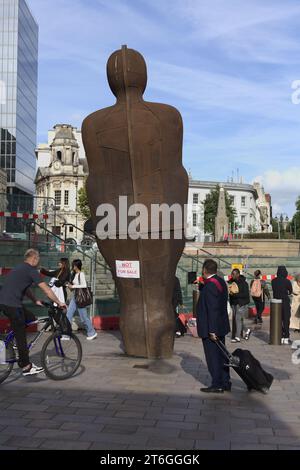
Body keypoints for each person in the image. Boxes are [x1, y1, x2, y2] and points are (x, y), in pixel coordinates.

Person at [0, 249, 66, 376]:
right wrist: (59, 302)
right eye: (38, 258)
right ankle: (26, 366)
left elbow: (24, 288)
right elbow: (46, 289)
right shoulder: (31, 270)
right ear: (34, 258)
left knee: (30, 317)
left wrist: (35, 300)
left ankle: (13, 339)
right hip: (12, 305)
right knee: (21, 336)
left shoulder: (19, 267)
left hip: (4, 302)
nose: (39, 261)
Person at [196, 259, 231, 393]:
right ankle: (225, 381)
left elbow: (212, 309)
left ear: (204, 270)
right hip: (221, 326)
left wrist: (212, 330)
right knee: (222, 355)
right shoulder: (220, 281)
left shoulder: (210, 286)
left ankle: (217, 384)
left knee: (213, 357)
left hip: (212, 328)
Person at [66, 259, 97, 340]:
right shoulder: (75, 274)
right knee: (68, 314)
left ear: (76, 266)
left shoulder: (81, 274)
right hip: (75, 296)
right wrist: (70, 286)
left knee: (84, 317)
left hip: (80, 298)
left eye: (73, 265)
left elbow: (84, 285)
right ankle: (66, 334)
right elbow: (75, 286)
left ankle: (92, 333)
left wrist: (73, 286)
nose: (72, 267)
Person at [228, 269, 251, 342]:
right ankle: (247, 330)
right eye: (232, 274)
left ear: (238, 274)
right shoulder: (231, 282)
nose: (232, 275)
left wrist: (235, 294)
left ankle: (237, 337)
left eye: (234, 274)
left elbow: (245, 294)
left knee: (238, 319)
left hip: (241, 303)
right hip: (234, 303)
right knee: (237, 320)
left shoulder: (244, 283)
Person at [272, 266, 293, 344]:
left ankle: (280, 336)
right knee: (286, 320)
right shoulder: (287, 281)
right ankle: (286, 337)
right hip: (285, 302)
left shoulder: (273, 281)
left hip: (276, 303)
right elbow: (290, 291)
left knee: (278, 320)